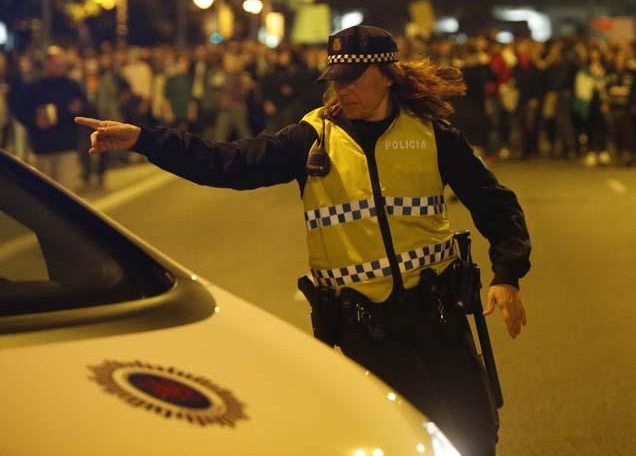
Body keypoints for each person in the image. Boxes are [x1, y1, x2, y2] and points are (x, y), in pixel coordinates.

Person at [76, 26, 530, 456]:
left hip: (439, 319)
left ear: (387, 76)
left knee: (473, 438)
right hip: (365, 329)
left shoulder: (432, 134)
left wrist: (507, 274)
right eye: (337, 79)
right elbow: (227, 163)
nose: (343, 89)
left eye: (354, 78)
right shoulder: (312, 138)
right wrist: (145, 140)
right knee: (396, 442)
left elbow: (495, 203)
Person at [14, 47, 87, 186]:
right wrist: (34, 120)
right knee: (44, 193)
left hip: (67, 145)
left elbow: (86, 108)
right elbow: (19, 109)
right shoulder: (33, 86)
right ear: (46, 64)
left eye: (60, 62)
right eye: (54, 62)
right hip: (43, 147)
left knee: (66, 191)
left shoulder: (73, 86)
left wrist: (79, 108)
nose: (58, 66)